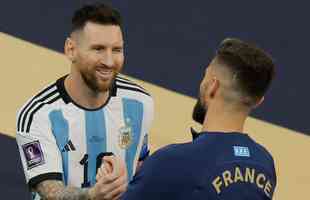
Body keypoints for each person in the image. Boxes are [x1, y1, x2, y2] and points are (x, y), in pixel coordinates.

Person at [15, 3, 154, 200]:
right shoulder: (37, 115)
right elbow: (49, 191)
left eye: (116, 50)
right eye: (98, 49)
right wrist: (93, 195)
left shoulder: (140, 103)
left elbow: (140, 164)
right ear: (71, 49)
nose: (109, 61)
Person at [117, 38, 277, 199]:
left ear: (212, 87)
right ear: (258, 101)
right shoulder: (264, 164)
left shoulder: (171, 162)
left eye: (205, 76)